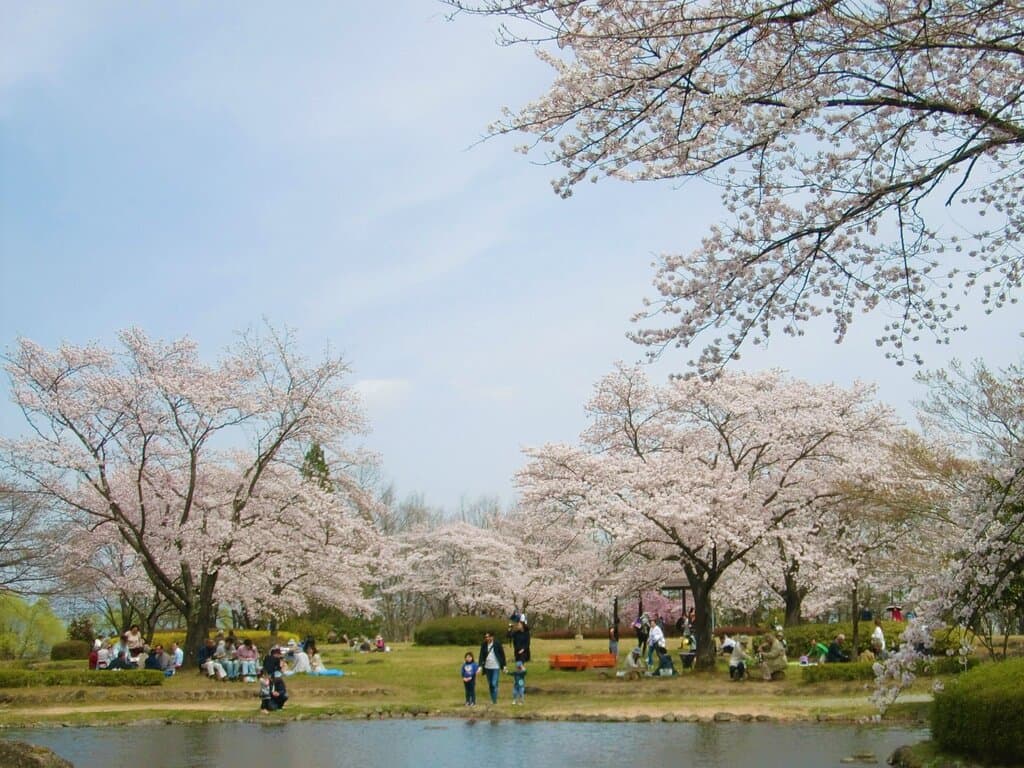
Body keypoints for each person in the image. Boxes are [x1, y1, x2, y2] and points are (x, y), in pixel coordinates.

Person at [478, 631, 507, 704]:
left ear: (492, 637)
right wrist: (480, 666)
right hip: (487, 667)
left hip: (496, 667)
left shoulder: (497, 644)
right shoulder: (484, 644)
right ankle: (493, 699)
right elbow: (481, 655)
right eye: (486, 637)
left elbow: (502, 655)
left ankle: (494, 700)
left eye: (488, 637)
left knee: (494, 683)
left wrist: (504, 666)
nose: (487, 638)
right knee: (490, 684)